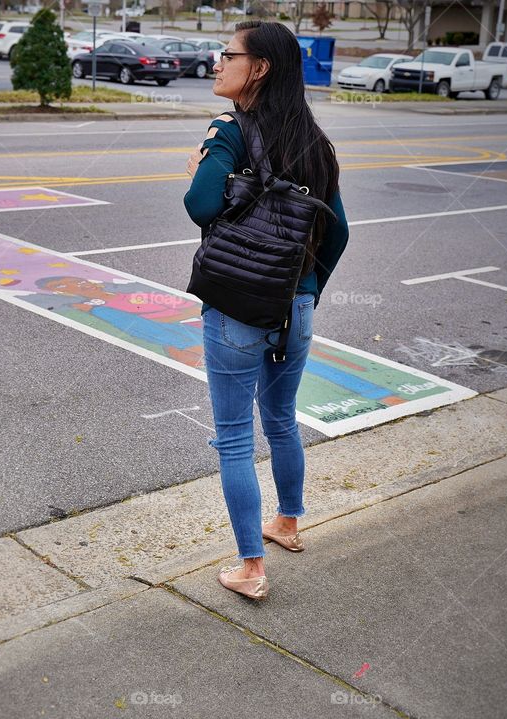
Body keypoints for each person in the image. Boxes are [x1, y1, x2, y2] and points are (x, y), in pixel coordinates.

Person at [183, 20, 349, 600]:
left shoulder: (229, 129)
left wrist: (212, 165)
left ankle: (251, 569)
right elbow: (339, 233)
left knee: (233, 436)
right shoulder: (317, 143)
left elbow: (200, 205)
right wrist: (305, 291)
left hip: (236, 304)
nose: (217, 62)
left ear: (259, 68)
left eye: (228, 55)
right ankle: (288, 524)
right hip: (295, 305)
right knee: (280, 419)